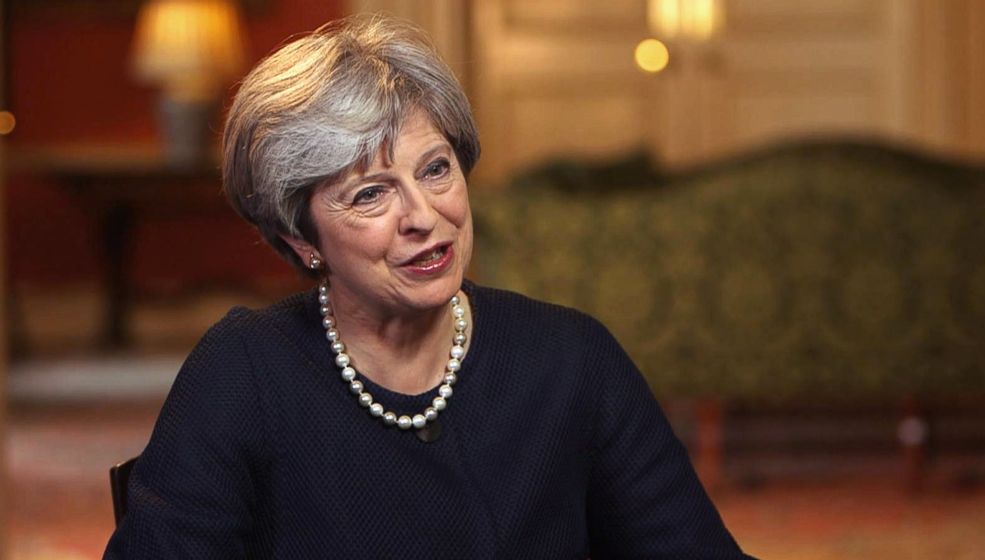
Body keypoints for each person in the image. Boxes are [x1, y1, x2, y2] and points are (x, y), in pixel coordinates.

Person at [104, 14, 752, 559]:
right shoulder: (243, 375)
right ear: (301, 240)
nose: (423, 215)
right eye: (370, 194)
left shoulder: (571, 359)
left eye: (435, 168)